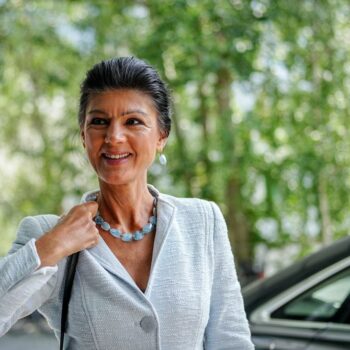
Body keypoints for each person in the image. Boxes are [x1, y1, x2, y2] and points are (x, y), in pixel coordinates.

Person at [0, 57, 254, 349]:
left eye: (133, 121)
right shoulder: (46, 233)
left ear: (161, 137)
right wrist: (51, 246)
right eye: (99, 122)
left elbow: (230, 339)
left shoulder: (202, 221)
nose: (113, 137)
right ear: (84, 136)